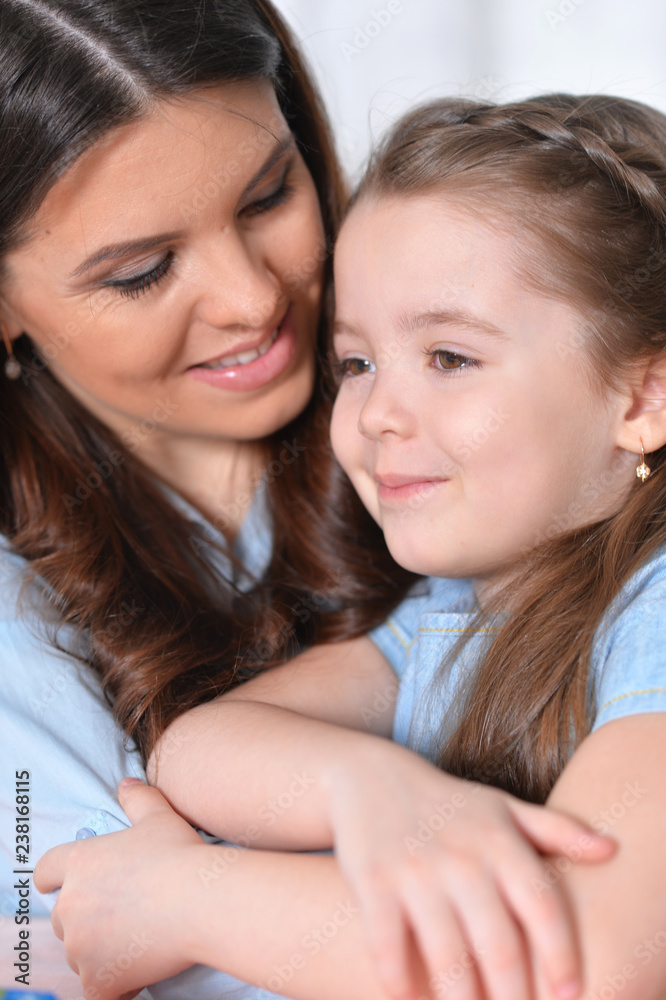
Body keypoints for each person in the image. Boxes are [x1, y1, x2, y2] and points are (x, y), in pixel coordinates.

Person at [37, 90, 666, 1000]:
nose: (374, 415)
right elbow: (199, 748)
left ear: (643, 399)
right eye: (357, 363)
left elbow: (582, 966)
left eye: (450, 358)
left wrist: (184, 898)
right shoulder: (454, 611)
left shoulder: (650, 607)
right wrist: (366, 788)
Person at [0, 1, 425, 998]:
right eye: (142, 272)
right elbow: (67, 954)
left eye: (270, 196)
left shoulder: (474, 394)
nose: (252, 297)